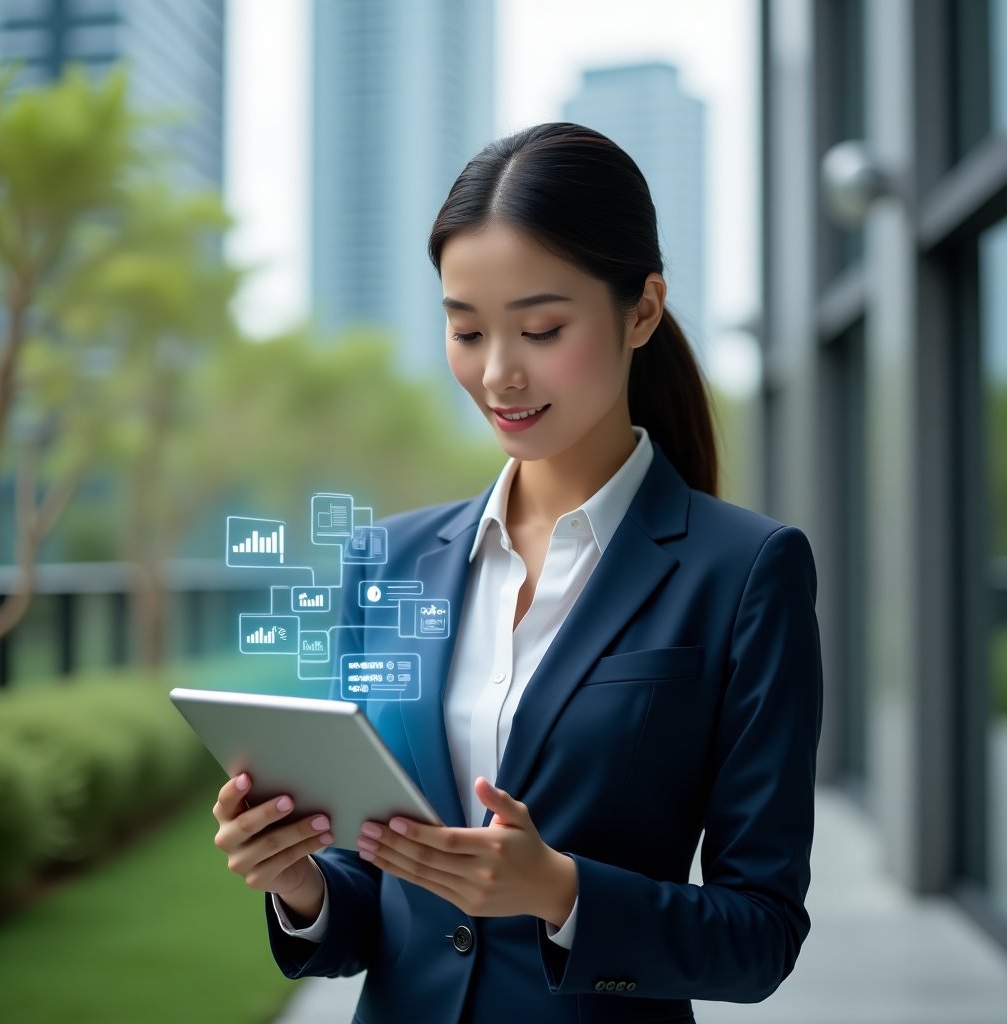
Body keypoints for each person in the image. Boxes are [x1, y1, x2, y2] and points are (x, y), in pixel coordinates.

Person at [211, 122, 823, 1024]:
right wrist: (299, 884)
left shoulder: (745, 573)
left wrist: (562, 892)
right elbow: (371, 902)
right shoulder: (387, 562)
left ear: (642, 310)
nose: (498, 374)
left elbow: (759, 936)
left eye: (541, 328)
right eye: (465, 330)